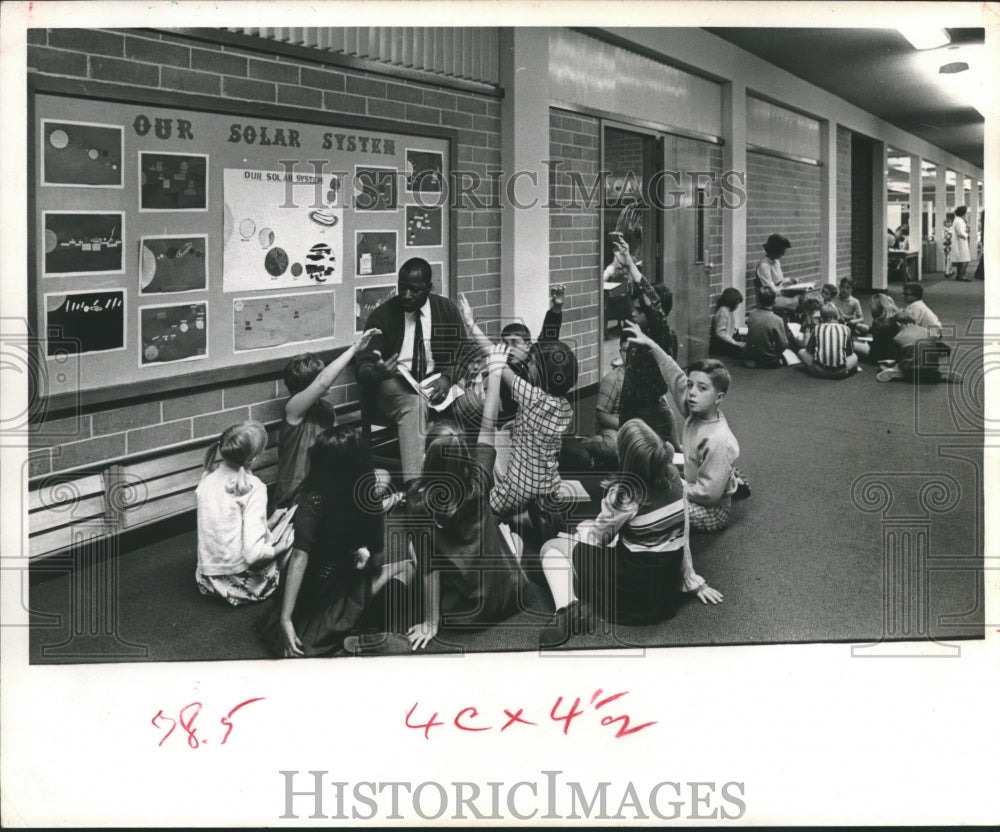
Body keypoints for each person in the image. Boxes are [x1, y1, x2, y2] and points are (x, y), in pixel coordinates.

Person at [536, 419, 723, 648]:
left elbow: (599, 539)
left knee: (551, 546)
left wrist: (578, 534)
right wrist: (691, 580)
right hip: (663, 595)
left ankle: (567, 610)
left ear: (624, 456)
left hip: (629, 594)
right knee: (617, 536)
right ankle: (577, 601)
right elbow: (682, 534)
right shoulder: (675, 479)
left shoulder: (624, 495)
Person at [404, 344, 525, 650]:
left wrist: (432, 623)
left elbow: (429, 568)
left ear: (429, 461)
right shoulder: (479, 480)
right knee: (508, 537)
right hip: (509, 597)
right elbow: (489, 425)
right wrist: (495, 372)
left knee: (414, 550)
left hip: (463, 614)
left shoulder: (418, 504)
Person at [257, 426, 414, 657]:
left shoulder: (311, 496)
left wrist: (285, 619)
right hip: (339, 589)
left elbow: (300, 557)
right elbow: (377, 560)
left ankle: (340, 636)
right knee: (409, 567)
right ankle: (363, 631)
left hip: (305, 591)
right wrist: (364, 560)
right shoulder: (368, 499)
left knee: (292, 559)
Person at [354, 257, 468, 483]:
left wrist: (447, 378)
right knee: (414, 405)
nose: (406, 295)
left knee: (472, 403)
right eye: (402, 287)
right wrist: (378, 371)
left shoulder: (446, 309)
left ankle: (466, 478)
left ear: (429, 288)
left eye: (414, 290)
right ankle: (416, 489)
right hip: (392, 384)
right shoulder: (382, 315)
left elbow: (462, 353)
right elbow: (362, 367)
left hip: (433, 383)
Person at [624, 323, 743, 533]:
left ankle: (726, 477)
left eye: (702, 388)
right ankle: (728, 477)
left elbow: (708, 496)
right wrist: (652, 345)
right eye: (691, 385)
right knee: (663, 465)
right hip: (696, 478)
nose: (692, 393)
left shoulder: (718, 439)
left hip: (711, 511)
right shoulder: (695, 411)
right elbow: (675, 376)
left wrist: (675, 487)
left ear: (719, 398)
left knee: (654, 503)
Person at [276, 328, 380, 508]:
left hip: (326, 484)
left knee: (380, 477)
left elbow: (339, 450)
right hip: (299, 495)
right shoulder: (293, 410)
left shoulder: (326, 409)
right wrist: (355, 348)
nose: (330, 380)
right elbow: (323, 382)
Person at [196, 421, 293, 606]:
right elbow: (252, 554)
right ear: (253, 458)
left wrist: (269, 522)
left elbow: (227, 522)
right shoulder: (254, 487)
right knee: (290, 536)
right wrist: (281, 547)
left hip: (207, 580)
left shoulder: (206, 478)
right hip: (240, 585)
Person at [455, 284, 564, 430]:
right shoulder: (506, 361)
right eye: (506, 343)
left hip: (533, 422)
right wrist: (469, 322)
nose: (509, 348)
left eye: (515, 343)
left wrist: (556, 308)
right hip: (506, 421)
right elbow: (490, 348)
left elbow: (548, 336)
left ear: (528, 345)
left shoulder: (536, 359)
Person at [489, 338, 578, 517]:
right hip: (549, 486)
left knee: (483, 511)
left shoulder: (533, 397)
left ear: (543, 373)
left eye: (532, 363)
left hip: (517, 490)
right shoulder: (566, 407)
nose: (528, 366)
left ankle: (512, 525)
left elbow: (501, 366)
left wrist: (469, 322)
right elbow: (541, 432)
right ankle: (528, 517)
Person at [612, 235, 678, 445]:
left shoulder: (661, 333)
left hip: (647, 410)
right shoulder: (638, 331)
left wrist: (632, 264)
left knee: (647, 455)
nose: (634, 313)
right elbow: (637, 293)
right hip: (630, 405)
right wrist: (625, 262)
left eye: (640, 310)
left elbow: (652, 303)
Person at [581, 333, 628, 471]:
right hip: (614, 425)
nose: (630, 355)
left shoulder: (645, 377)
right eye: (625, 351)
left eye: (634, 351)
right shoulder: (612, 378)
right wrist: (626, 425)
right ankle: (587, 443)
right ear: (620, 352)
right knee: (613, 447)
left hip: (637, 424)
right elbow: (601, 415)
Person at [876, 313, 960, 384]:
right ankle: (940, 375)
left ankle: (897, 373)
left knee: (885, 366)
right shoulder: (928, 332)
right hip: (932, 369)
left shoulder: (898, 337)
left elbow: (899, 358)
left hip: (912, 371)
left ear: (898, 323)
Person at [796, 303, 859, 379]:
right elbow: (850, 352)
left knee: (801, 352)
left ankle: (812, 369)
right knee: (855, 356)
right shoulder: (846, 329)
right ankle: (847, 370)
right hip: (840, 372)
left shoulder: (817, 328)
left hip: (819, 370)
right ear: (838, 317)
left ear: (822, 318)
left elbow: (809, 350)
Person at [744, 287, 788, 369]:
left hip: (751, 354)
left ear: (759, 300)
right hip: (769, 356)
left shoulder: (752, 314)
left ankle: (755, 360)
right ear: (774, 301)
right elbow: (782, 345)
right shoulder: (777, 319)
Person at [755, 233, 799, 315]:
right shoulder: (764, 266)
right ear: (775, 250)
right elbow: (770, 290)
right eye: (782, 251)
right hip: (770, 300)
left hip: (779, 294)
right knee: (799, 302)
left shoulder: (776, 261)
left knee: (805, 297)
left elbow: (779, 281)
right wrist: (788, 290)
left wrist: (790, 280)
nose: (783, 254)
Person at [854, 292, 902, 363]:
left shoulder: (879, 324)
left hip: (880, 356)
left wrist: (868, 344)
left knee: (852, 344)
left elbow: (875, 349)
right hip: (895, 355)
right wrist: (869, 330)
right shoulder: (894, 319)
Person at [710, 287, 746, 358]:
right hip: (723, 347)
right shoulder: (723, 312)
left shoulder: (728, 311)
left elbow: (729, 328)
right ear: (732, 302)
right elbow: (720, 333)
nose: (737, 306)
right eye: (737, 304)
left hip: (728, 344)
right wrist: (735, 343)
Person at [951, 206, 971, 281]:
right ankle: (963, 276)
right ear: (963, 213)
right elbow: (960, 232)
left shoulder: (959, 220)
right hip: (960, 241)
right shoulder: (958, 221)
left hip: (960, 242)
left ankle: (959, 275)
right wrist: (967, 235)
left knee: (961, 260)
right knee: (965, 259)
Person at [942, 211, 955, 278]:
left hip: (949, 245)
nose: (950, 223)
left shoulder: (949, 229)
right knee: (948, 258)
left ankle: (950, 271)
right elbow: (947, 237)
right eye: (948, 222)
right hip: (948, 245)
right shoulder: (947, 230)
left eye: (950, 222)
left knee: (949, 258)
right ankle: (947, 272)